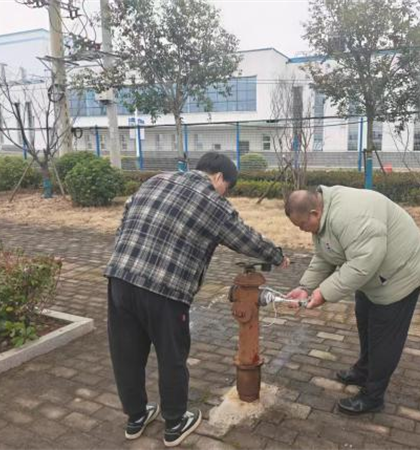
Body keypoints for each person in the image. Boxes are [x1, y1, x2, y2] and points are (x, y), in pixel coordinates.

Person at [104, 152, 289, 447]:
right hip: (166, 291)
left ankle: (136, 417)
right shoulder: (213, 202)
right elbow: (244, 239)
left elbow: (125, 219)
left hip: (120, 279)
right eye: (227, 188)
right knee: (171, 356)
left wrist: (127, 259)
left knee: (126, 354)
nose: (224, 194)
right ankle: (175, 423)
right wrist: (278, 256)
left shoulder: (155, 180)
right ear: (219, 177)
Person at [285, 186, 420, 415]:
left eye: (302, 225)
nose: (302, 230)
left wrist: (323, 293)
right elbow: (325, 255)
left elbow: (363, 263)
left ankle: (373, 396)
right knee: (364, 319)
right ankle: (364, 369)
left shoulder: (351, 217)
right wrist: (305, 287)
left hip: (401, 273)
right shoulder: (324, 216)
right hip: (374, 275)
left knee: (384, 336)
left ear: (314, 213)